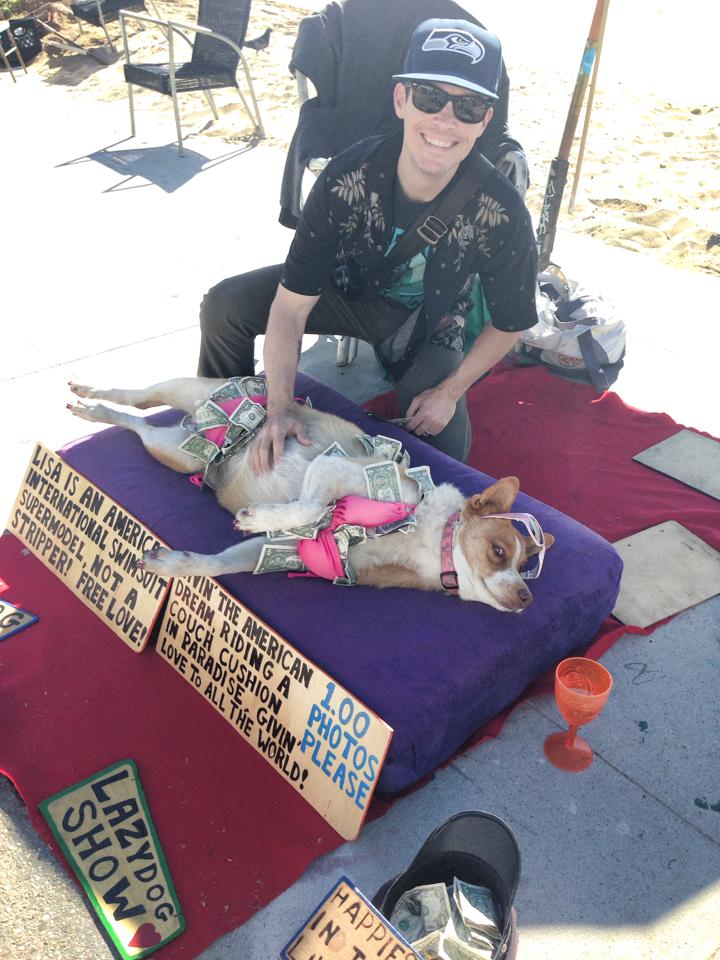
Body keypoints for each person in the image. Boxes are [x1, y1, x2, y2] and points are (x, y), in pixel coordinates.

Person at [198, 18, 538, 471]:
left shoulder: (501, 210)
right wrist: (279, 408)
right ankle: (225, 426)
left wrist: (448, 392)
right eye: (430, 96)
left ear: (485, 121)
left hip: (425, 323)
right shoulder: (349, 175)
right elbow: (291, 306)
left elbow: (512, 321)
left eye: (469, 106)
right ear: (401, 99)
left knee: (444, 459)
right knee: (224, 305)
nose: (445, 119)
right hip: (343, 291)